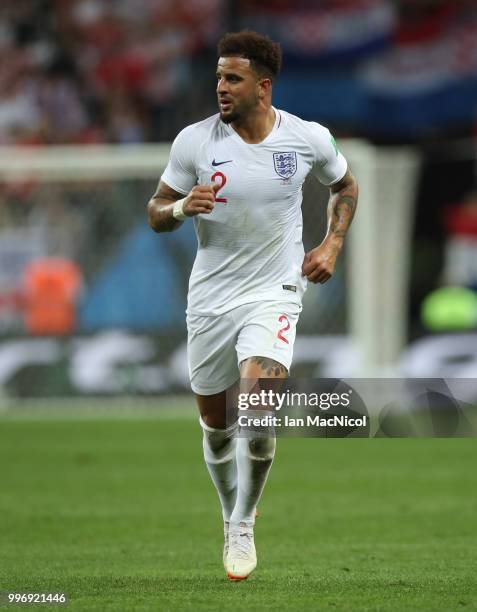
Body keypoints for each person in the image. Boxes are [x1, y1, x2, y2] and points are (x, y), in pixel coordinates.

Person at [147, 30, 358, 581]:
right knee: (217, 426)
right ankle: (227, 511)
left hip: (275, 291)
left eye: (232, 78)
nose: (220, 86)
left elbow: (346, 185)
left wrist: (332, 241)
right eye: (218, 76)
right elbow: (155, 209)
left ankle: (243, 523)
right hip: (212, 297)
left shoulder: (306, 139)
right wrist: (178, 211)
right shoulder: (194, 142)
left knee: (257, 411)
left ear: (262, 87)